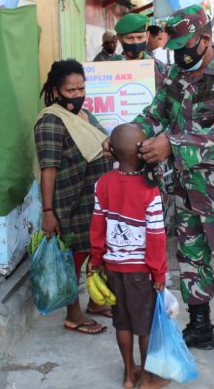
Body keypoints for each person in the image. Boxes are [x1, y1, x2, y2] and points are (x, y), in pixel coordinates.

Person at [123, 4, 214, 372]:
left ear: (204, 39)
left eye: (186, 45)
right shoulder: (176, 76)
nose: (180, 53)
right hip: (185, 188)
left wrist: (173, 143)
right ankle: (200, 326)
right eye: (175, 46)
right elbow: (155, 113)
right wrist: (125, 135)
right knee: (192, 259)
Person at [34, 59, 113, 336]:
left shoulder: (87, 117)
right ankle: (73, 315)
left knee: (96, 254)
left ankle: (96, 302)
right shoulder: (51, 122)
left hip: (95, 201)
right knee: (73, 260)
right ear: (56, 91)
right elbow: (48, 168)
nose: (78, 95)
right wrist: (48, 211)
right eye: (71, 90)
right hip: (70, 202)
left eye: (81, 88)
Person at [89, 123, 169, 389]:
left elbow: (98, 226)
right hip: (141, 272)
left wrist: (97, 259)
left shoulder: (102, 184)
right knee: (144, 325)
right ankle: (146, 378)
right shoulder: (150, 191)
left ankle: (128, 375)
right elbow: (156, 237)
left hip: (113, 268)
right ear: (142, 152)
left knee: (121, 321)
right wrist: (159, 272)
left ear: (111, 150)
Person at [111, 13, 167, 90]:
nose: (135, 42)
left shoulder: (159, 67)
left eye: (140, 37)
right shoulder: (109, 66)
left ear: (147, 36)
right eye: (130, 38)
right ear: (120, 39)